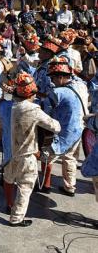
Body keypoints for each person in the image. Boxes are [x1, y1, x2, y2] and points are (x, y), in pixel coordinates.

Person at [3, 72, 61, 227]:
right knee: (25, 187)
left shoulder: (13, 106)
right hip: (27, 155)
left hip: (11, 153)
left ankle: (9, 205)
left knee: (8, 179)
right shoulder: (32, 109)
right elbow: (55, 126)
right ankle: (16, 218)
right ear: (31, 93)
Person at [39, 57, 86, 196]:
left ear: (60, 77)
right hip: (79, 127)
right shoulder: (80, 85)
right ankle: (70, 186)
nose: (52, 82)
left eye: (53, 78)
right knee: (70, 157)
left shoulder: (58, 92)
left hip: (64, 130)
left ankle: (45, 184)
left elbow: (45, 113)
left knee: (47, 156)